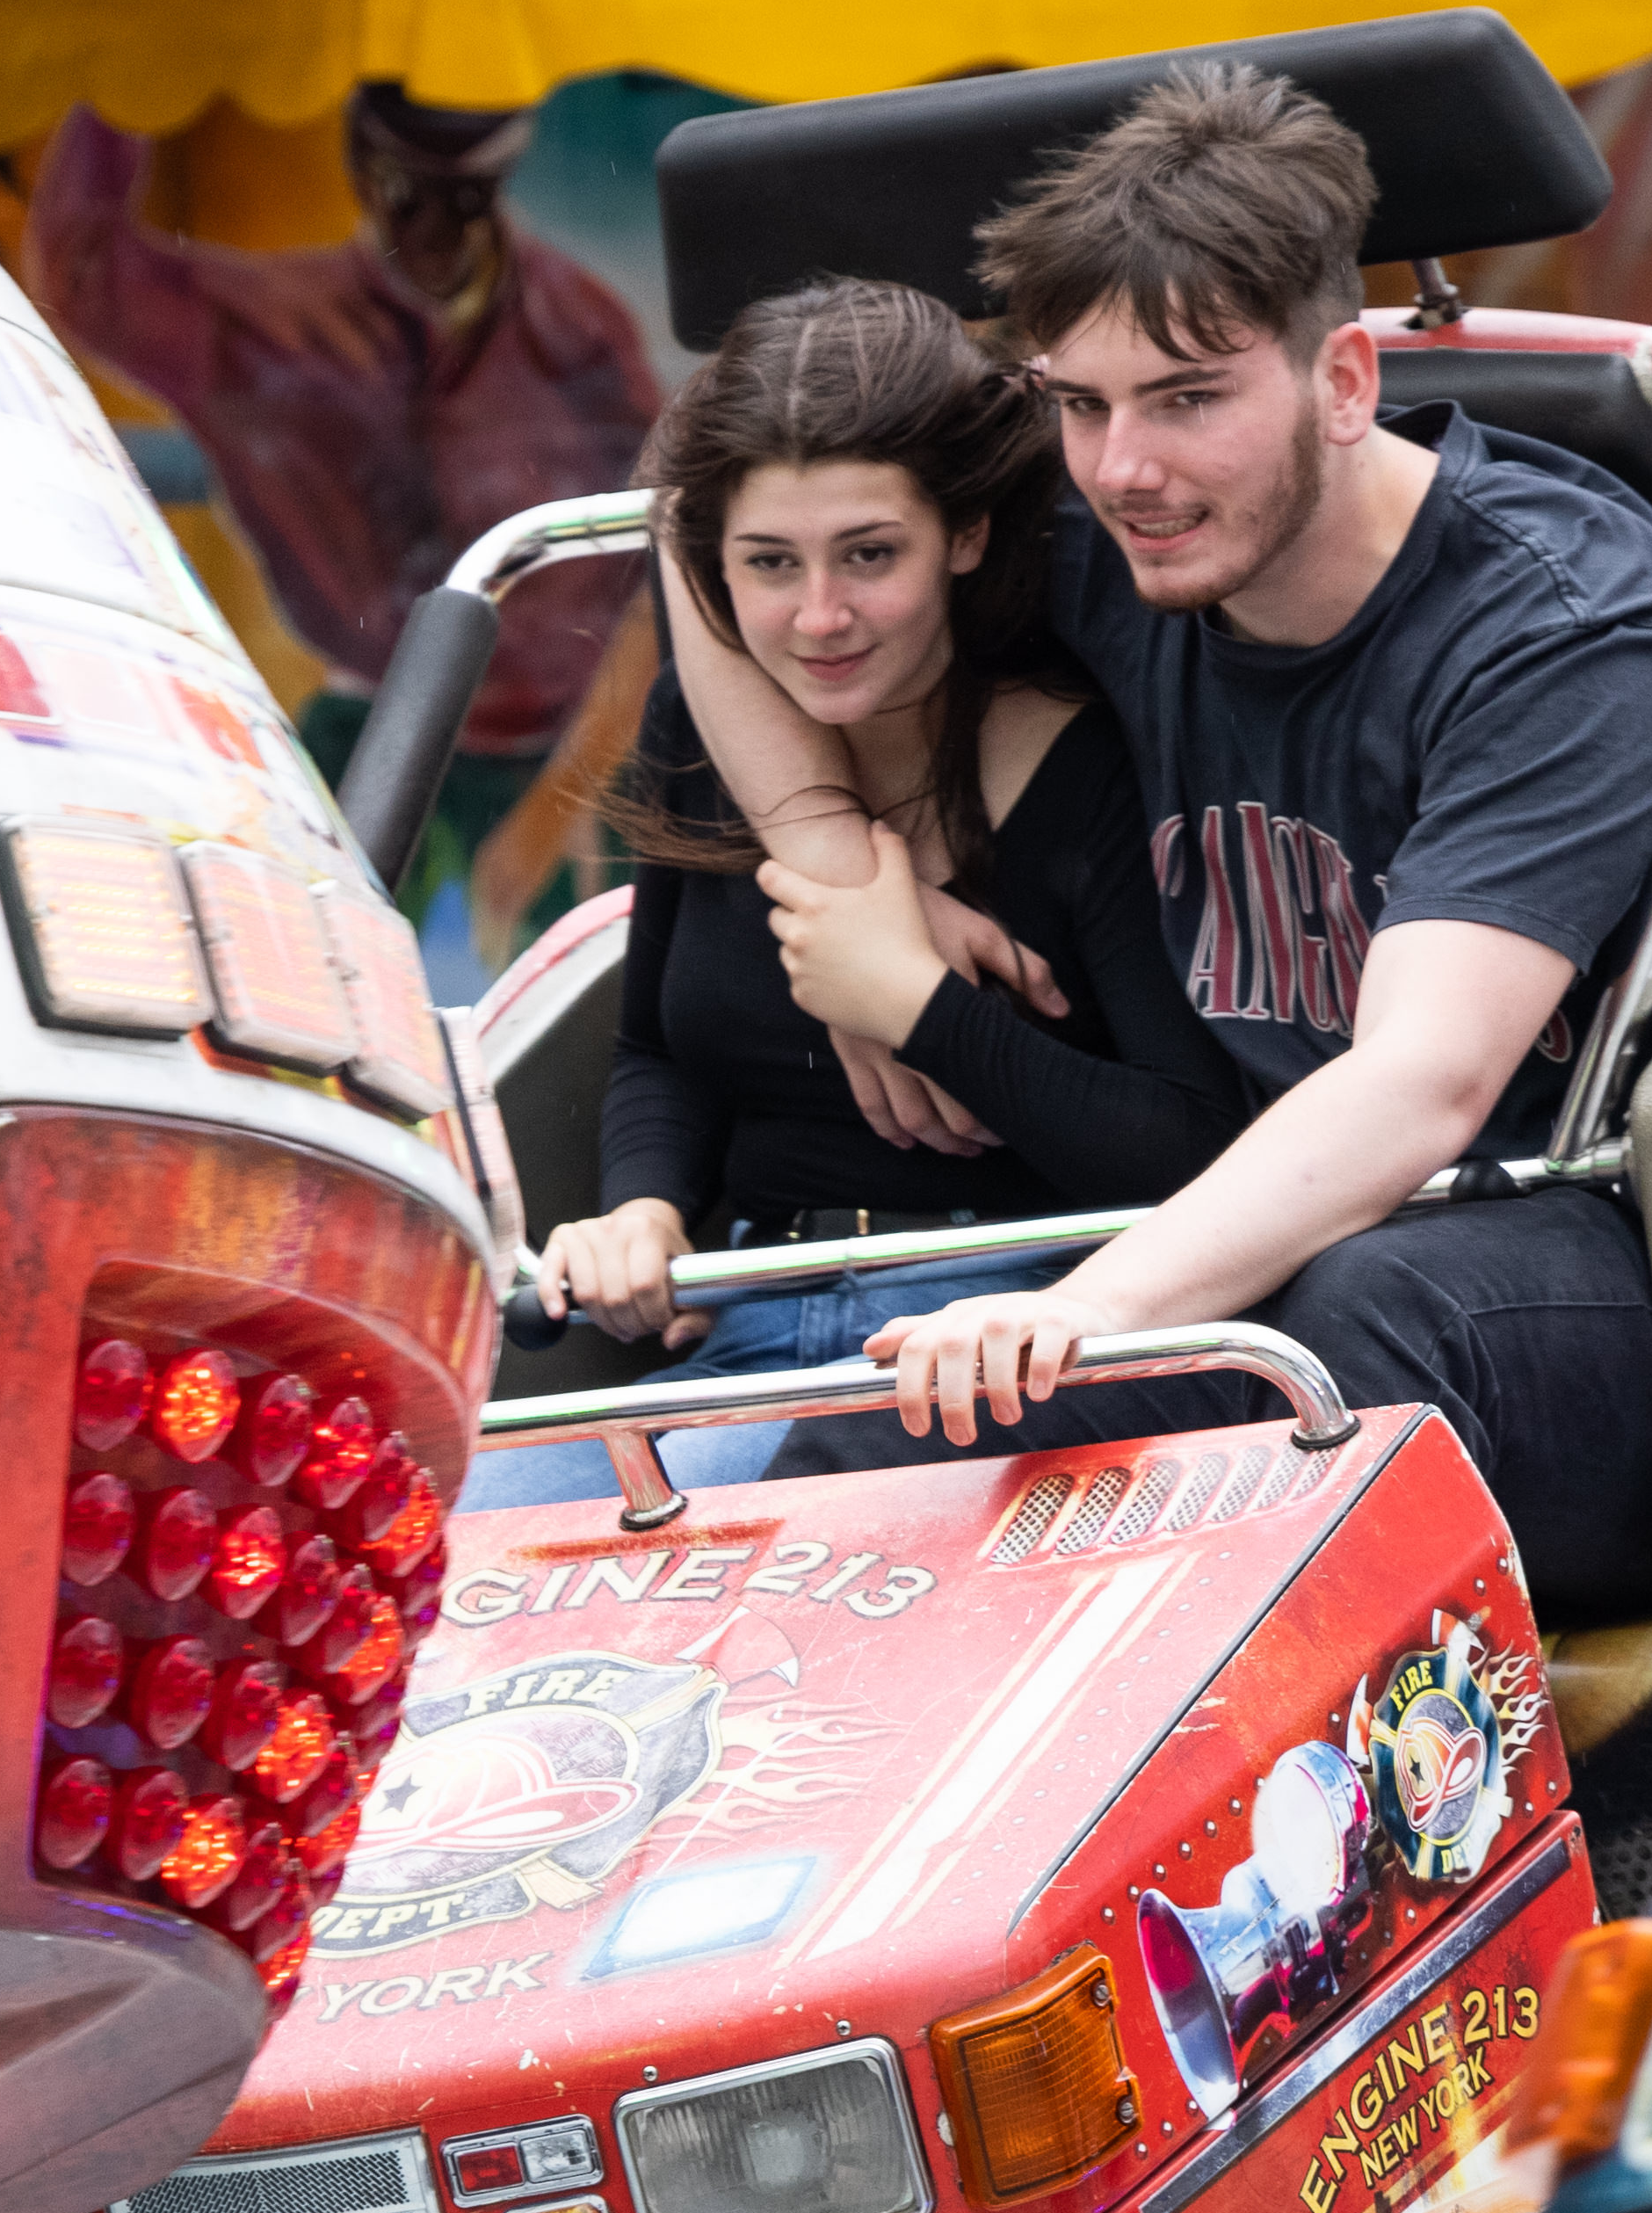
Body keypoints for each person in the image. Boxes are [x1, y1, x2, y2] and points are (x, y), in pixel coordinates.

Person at [661, 66, 1652, 1628]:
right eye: (1081, 405)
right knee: (879, 1466)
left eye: (1189, 398)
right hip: (1295, 1232)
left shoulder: (1553, 620)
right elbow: (677, 521)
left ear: (1343, 379)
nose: (1121, 466)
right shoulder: (1128, 529)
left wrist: (1090, 1313)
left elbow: (1428, 1079)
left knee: (1350, 1317)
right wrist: (846, 867)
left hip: (1634, 1264)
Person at [466, 284, 1249, 1513]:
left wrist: (920, 1008)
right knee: (442, 1554)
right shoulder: (699, 730)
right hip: (740, 1325)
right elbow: (658, 1044)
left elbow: (1188, 1141)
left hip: (997, 1332)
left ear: (964, 537)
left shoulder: (1085, 754)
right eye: (769, 563)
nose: (819, 615)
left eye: (870, 555)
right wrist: (643, 1208)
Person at [19, 84, 663, 949]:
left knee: (599, 997)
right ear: (363, 175)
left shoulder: (579, 328)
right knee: (297, 972)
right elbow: (85, 274)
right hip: (370, 735)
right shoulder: (274, 326)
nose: (436, 231)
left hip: (572, 750)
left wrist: (559, 803)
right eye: (408, 195)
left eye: (465, 198)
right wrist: (124, 76)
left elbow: (662, 549)